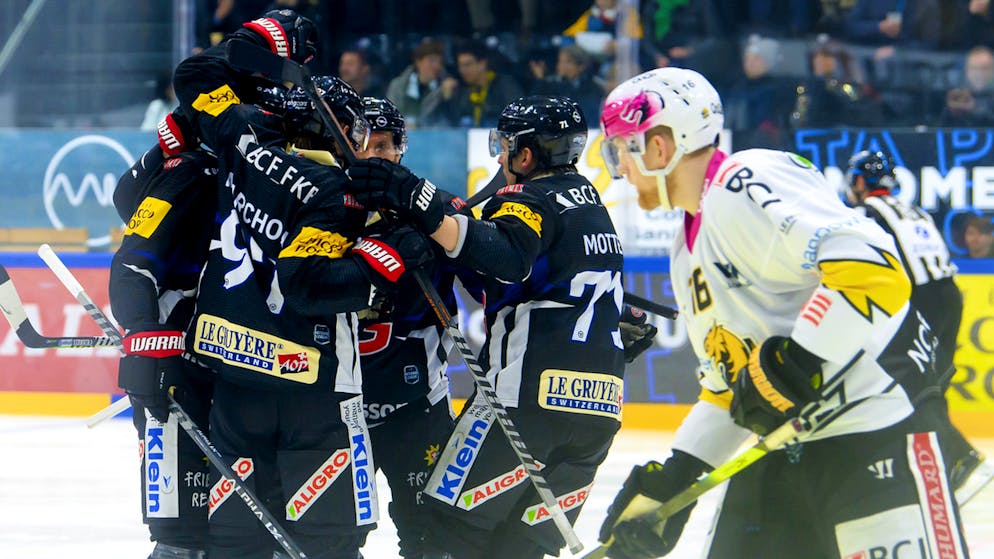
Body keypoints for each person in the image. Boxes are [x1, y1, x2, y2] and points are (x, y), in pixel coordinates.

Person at [597, 67, 970, 559]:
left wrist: (800, 358)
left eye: (621, 150)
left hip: (877, 434)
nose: (620, 168)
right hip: (786, 452)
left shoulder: (745, 180)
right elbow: (731, 388)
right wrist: (679, 474)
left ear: (660, 147)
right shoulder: (683, 253)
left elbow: (872, 267)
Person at [171, 10, 432, 558]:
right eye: (353, 129)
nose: (359, 141)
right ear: (329, 127)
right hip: (313, 389)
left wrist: (264, 40)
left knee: (237, 541)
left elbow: (194, 75)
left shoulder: (242, 139)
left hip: (236, 379)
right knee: (330, 541)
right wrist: (387, 259)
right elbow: (309, 285)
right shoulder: (335, 191)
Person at [347, 95, 626, 559]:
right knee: (518, 548)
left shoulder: (526, 199)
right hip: (599, 409)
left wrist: (424, 207)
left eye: (506, 146)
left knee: (442, 533)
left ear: (526, 155)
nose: (499, 157)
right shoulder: (591, 204)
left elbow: (504, 257)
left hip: (523, 401)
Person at [354, 96, 466, 558]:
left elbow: (496, 274)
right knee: (332, 540)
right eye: (363, 145)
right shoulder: (321, 206)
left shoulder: (436, 210)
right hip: (339, 413)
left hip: (418, 409)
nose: (374, 156)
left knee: (431, 540)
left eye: (384, 146)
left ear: (401, 149)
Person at [111, 111, 217, 559]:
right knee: (179, 535)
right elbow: (128, 208)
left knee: (238, 530)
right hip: (178, 360)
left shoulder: (258, 171)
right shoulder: (191, 169)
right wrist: (146, 339)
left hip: (235, 367)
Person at [846, 150, 985, 491]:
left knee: (911, 385)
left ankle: (957, 455)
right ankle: (946, 459)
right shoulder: (915, 210)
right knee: (933, 382)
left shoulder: (865, 213)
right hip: (949, 296)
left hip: (921, 301)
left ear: (861, 181)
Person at [430, 40, 523, 127]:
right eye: (460, 65)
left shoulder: (504, 86)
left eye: (467, 65)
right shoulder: (462, 91)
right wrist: (447, 99)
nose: (462, 70)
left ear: (482, 64)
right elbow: (452, 125)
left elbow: (517, 116)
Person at [385, 40, 449, 128]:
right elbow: (390, 116)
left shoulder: (445, 87)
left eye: (440, 62)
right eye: (432, 61)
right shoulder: (398, 86)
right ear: (418, 62)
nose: (437, 66)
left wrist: (447, 99)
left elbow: (448, 122)